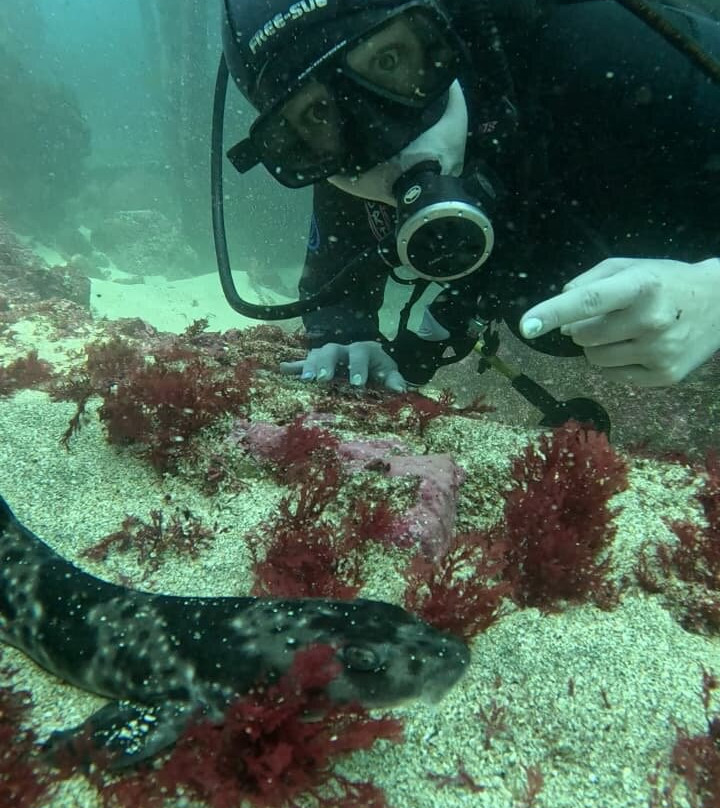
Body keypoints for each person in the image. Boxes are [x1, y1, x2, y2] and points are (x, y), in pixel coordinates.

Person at [219, 0, 720, 392]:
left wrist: (712, 291)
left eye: (389, 61)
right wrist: (343, 338)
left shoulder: (595, 44)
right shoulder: (347, 171)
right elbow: (337, 274)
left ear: (441, 30)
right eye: (317, 117)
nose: (388, 141)